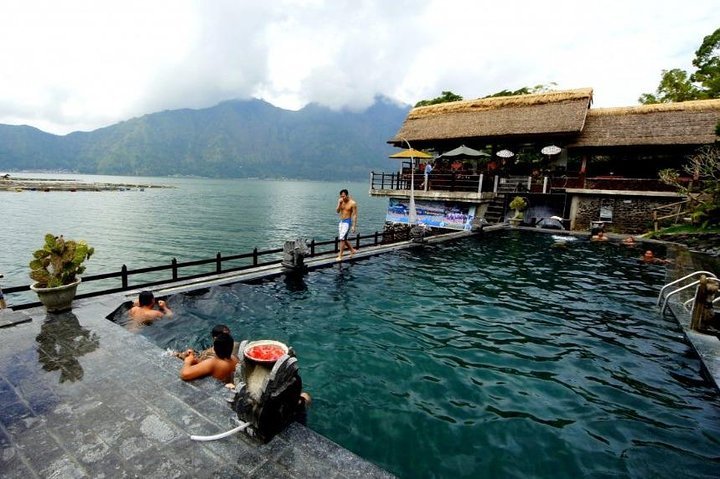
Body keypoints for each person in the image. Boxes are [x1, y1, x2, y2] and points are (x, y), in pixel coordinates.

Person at [174, 324, 240, 360]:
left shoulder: (212, 355)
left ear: (215, 338)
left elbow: (197, 364)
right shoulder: (236, 344)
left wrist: (183, 357)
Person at [336, 189, 358, 261]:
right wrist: (339, 204)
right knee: (344, 238)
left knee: (342, 239)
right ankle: (352, 250)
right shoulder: (340, 201)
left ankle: (340, 256)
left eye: (344, 196)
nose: (343, 197)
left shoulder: (352, 203)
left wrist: (353, 226)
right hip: (341, 221)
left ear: (347, 195)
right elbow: (337, 211)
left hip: (347, 222)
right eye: (341, 196)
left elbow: (354, 215)